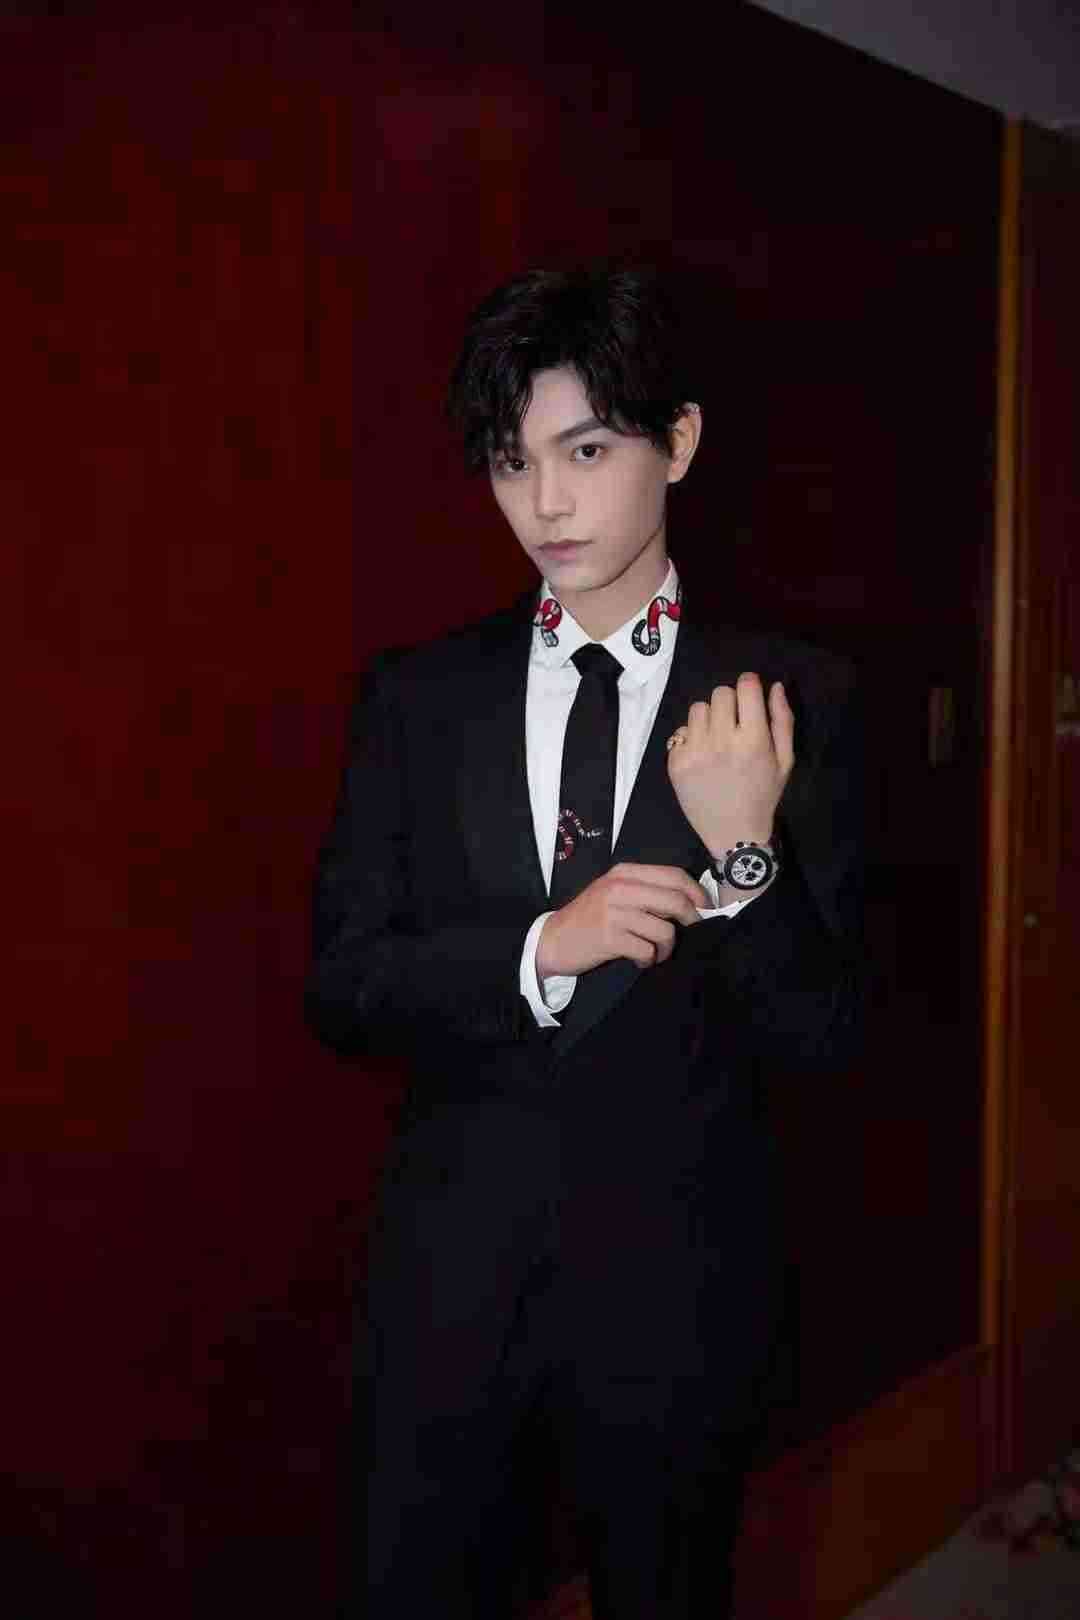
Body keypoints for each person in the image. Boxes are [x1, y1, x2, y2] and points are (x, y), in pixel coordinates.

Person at [305, 264, 863, 1618]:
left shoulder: (792, 696)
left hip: (680, 1289)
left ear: (679, 442)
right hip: (451, 1281)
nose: (546, 504)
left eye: (588, 451)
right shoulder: (417, 698)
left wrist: (745, 854)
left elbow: (829, 1036)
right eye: (512, 463)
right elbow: (344, 984)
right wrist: (539, 949)